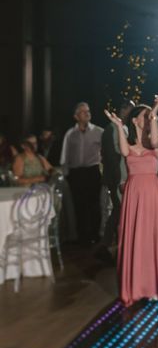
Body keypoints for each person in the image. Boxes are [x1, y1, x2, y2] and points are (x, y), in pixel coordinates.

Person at [104, 96, 158, 307]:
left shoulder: (155, 142)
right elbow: (124, 151)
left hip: (152, 192)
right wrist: (118, 125)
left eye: (150, 116)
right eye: (145, 116)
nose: (148, 119)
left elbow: (153, 139)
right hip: (134, 192)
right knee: (133, 237)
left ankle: (151, 286)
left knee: (151, 237)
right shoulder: (129, 146)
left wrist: (155, 113)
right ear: (135, 121)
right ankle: (133, 287)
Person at [60, 102, 104, 244]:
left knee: (94, 205)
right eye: (83, 111)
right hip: (76, 174)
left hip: (92, 172)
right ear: (76, 116)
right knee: (79, 205)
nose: (87, 113)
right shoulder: (70, 134)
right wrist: (66, 175)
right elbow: (64, 156)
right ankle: (82, 237)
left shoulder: (99, 131)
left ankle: (95, 236)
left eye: (88, 110)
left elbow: (106, 154)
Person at [100, 99, 134, 256]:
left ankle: (112, 245)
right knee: (118, 210)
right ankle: (107, 245)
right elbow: (111, 158)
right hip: (117, 177)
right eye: (130, 110)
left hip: (125, 175)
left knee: (120, 211)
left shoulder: (125, 128)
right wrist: (118, 180)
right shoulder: (111, 129)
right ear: (124, 109)